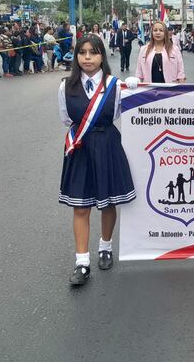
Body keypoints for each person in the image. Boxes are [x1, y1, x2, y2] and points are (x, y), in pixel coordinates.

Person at [58, 34, 136, 286]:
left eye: (93, 52)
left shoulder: (116, 84)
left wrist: (138, 87)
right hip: (80, 147)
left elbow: (134, 112)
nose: (88, 57)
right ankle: (82, 262)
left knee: (107, 202)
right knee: (80, 206)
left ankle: (105, 247)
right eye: (82, 52)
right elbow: (66, 119)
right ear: (76, 56)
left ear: (102, 55)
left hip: (107, 145)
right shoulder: (65, 87)